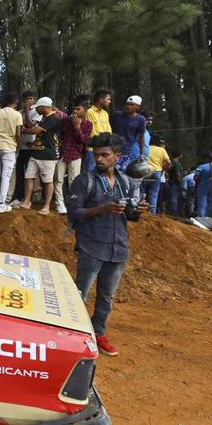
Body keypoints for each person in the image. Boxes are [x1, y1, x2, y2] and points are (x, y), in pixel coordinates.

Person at [68, 132, 148, 357]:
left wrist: (139, 210)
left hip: (119, 248)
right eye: (97, 155)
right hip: (91, 246)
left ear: (117, 156)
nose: (99, 159)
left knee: (107, 296)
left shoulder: (125, 181)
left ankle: (99, 333)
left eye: (105, 155)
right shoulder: (85, 180)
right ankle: (74, 337)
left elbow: (130, 216)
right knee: (79, 293)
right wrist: (102, 209)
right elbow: (74, 212)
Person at [20, 96, 60, 215]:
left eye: (38, 108)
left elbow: (36, 131)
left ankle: (46, 206)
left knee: (47, 181)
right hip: (36, 152)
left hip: (48, 155)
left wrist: (23, 130)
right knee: (28, 176)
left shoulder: (53, 119)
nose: (36, 110)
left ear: (45, 107)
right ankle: (27, 202)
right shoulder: (44, 118)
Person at [54, 97, 93, 215]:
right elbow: (60, 134)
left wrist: (77, 128)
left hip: (76, 154)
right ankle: (59, 203)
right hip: (62, 153)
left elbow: (84, 141)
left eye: (78, 109)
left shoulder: (88, 124)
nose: (75, 111)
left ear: (85, 111)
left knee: (73, 181)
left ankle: (72, 203)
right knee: (58, 179)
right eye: (74, 109)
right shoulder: (65, 121)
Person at [11, 91, 39, 207]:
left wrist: (27, 111)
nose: (30, 101)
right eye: (27, 99)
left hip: (31, 147)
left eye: (32, 99)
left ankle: (28, 199)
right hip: (20, 147)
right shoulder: (18, 113)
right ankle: (17, 197)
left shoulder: (37, 112)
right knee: (19, 173)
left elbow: (30, 125)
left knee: (29, 174)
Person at [111, 95, 147, 171]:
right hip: (112, 148)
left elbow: (141, 137)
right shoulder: (117, 115)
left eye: (132, 105)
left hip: (126, 151)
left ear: (138, 107)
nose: (128, 106)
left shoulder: (140, 119)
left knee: (122, 173)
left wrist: (142, 154)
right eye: (127, 104)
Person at [84, 90, 113, 172]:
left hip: (104, 148)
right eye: (108, 99)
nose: (109, 102)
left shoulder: (105, 114)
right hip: (92, 149)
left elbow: (108, 131)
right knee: (91, 171)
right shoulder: (89, 112)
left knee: (103, 171)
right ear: (101, 100)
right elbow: (88, 131)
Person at [144, 136, 171, 214]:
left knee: (141, 191)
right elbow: (168, 162)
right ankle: (152, 212)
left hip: (145, 171)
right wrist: (163, 168)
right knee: (153, 193)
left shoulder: (145, 147)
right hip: (157, 171)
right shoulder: (161, 150)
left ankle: (140, 210)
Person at [167, 150, 184, 215]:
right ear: (179, 155)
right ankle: (173, 212)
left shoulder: (171, 162)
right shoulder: (176, 163)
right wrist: (180, 183)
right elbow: (178, 174)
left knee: (171, 196)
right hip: (175, 182)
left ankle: (169, 210)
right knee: (174, 197)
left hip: (170, 181)